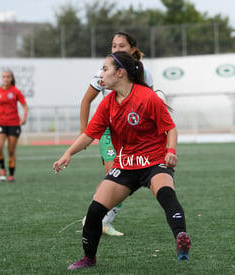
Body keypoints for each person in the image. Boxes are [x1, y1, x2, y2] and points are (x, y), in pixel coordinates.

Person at [54, 51, 191, 270]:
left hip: (154, 161)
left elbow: (170, 128)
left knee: (166, 194)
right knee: (95, 210)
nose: (101, 73)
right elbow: (90, 134)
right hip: (125, 165)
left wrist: (171, 151)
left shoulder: (146, 97)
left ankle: (181, 238)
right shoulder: (107, 103)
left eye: (105, 69)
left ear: (120, 73)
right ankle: (89, 258)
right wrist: (68, 153)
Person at [80, 31, 154, 236]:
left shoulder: (145, 73)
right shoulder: (103, 71)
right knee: (115, 174)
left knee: (124, 178)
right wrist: (83, 134)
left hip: (133, 133)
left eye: (121, 46)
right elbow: (86, 100)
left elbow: (150, 104)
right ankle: (99, 219)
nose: (116, 49)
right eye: (113, 46)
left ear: (132, 49)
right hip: (107, 131)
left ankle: (100, 218)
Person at [0, 70, 28, 182]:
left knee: (11, 151)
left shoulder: (16, 91)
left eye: (8, 77)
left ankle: (11, 174)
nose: (6, 79)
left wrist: (24, 117)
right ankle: (2, 169)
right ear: (1, 78)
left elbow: (25, 106)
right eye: (4, 76)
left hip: (14, 124)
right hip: (1, 123)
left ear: (11, 78)